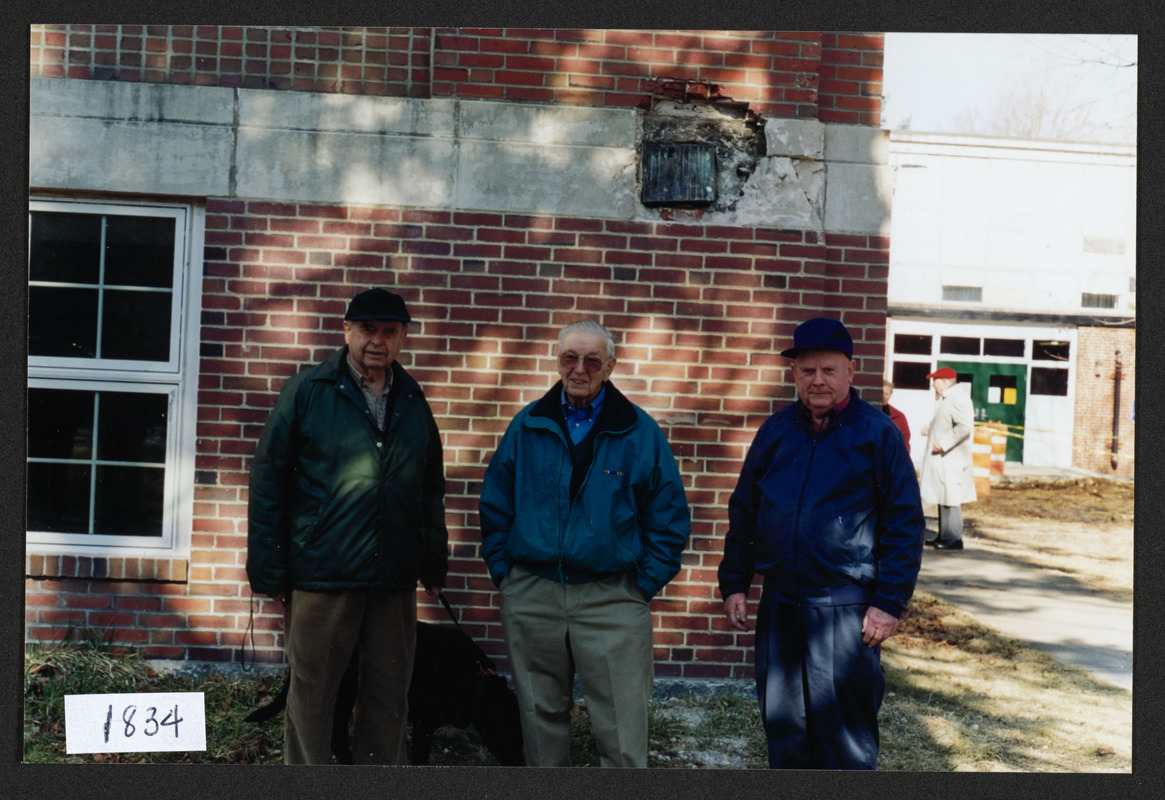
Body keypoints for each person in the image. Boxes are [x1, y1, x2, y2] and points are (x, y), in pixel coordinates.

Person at [246, 287, 449, 765]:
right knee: (313, 696)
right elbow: (268, 480)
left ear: (402, 338)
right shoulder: (309, 391)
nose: (377, 341)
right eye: (367, 329)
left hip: (392, 578)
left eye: (389, 331)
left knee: (388, 695)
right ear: (347, 331)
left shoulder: (414, 401)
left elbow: (429, 489)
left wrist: (432, 563)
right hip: (322, 573)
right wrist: (269, 568)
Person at [479, 320, 691, 768]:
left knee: (621, 725)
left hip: (611, 598)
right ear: (557, 360)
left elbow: (669, 519)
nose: (579, 369)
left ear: (610, 366)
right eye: (569, 358)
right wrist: (506, 575)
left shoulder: (639, 432)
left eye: (592, 360)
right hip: (532, 594)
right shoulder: (527, 425)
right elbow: (495, 504)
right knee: (539, 719)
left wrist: (640, 586)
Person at [718, 317, 924, 770]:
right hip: (781, 604)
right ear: (794, 374)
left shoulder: (877, 434)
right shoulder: (775, 432)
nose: (817, 381)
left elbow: (905, 522)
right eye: (807, 371)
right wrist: (735, 582)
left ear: (851, 371)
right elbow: (745, 511)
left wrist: (889, 602)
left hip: (845, 610)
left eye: (828, 370)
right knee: (785, 729)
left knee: (844, 738)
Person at [919, 366, 977, 550]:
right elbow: (947, 421)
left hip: (951, 458)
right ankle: (944, 535)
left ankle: (953, 537)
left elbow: (964, 426)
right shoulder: (946, 398)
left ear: (944, 381)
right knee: (942, 495)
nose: (933, 385)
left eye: (934, 381)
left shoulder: (957, 397)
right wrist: (931, 428)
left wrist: (944, 443)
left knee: (950, 497)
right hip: (944, 458)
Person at [882, 380, 911, 453]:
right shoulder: (869, 413)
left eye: (886, 394)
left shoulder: (899, 416)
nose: (883, 396)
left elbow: (905, 440)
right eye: (881, 393)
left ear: (890, 395)